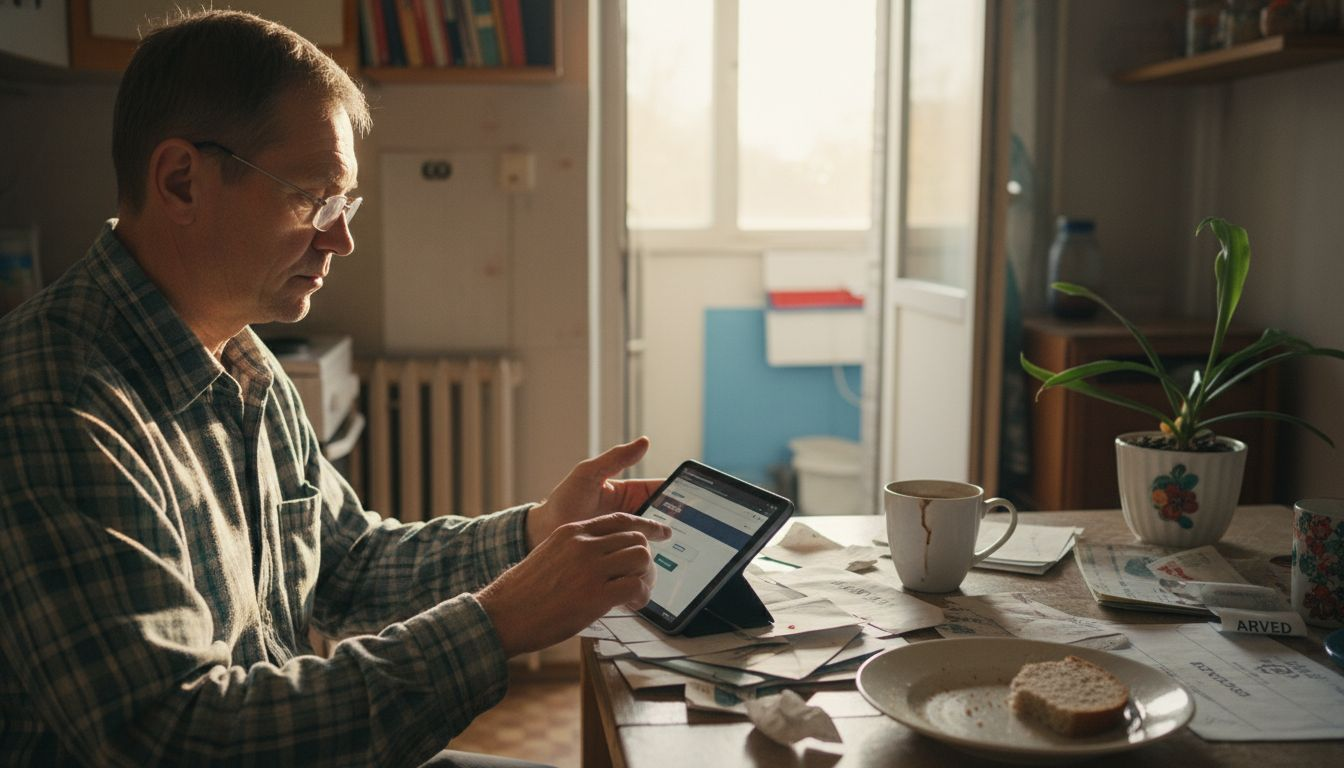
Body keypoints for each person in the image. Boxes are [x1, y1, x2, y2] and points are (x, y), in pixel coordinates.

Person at [0, 10, 669, 767]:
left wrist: (533, 534)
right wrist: (499, 623)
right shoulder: (57, 406)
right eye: (310, 197)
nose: (339, 238)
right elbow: (174, 740)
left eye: (342, 203)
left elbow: (346, 566)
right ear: (181, 180)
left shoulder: (244, 363)